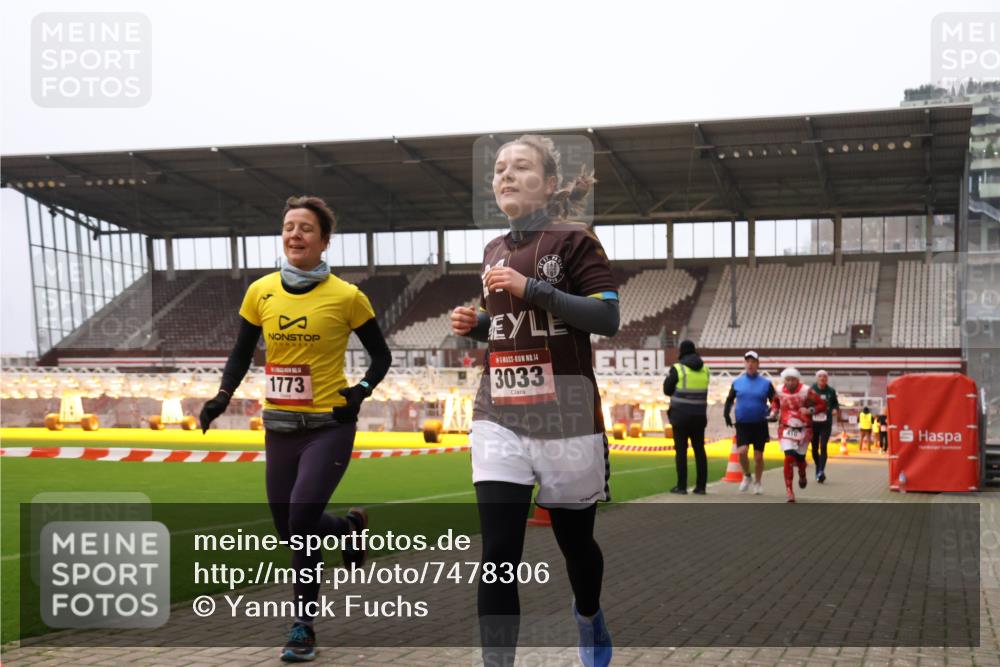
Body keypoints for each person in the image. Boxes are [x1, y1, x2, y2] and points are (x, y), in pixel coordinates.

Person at [199, 195, 392, 663]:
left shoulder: (348, 296)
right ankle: (348, 529)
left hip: (329, 425)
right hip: (279, 426)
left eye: (306, 227)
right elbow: (242, 353)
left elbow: (380, 357)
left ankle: (302, 627)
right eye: (288, 226)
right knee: (290, 530)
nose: (295, 234)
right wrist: (222, 397)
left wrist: (361, 390)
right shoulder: (260, 291)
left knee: (302, 523)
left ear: (324, 240)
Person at [450, 134, 618, 667]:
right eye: (498, 169)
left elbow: (606, 318)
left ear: (548, 184)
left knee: (577, 550)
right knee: (498, 553)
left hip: (567, 418)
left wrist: (533, 290)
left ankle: (588, 614)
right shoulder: (493, 250)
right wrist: (476, 325)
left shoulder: (575, 240)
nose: (505, 176)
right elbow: (509, 327)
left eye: (520, 167)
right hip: (499, 417)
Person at [769, 367, 827, 503]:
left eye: (793, 380)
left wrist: (810, 409)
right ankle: (789, 491)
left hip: (803, 428)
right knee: (789, 457)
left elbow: (822, 405)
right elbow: (775, 403)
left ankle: (802, 473)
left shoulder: (806, 391)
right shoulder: (778, 390)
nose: (790, 383)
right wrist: (773, 413)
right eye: (787, 380)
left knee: (800, 459)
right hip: (786, 428)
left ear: (797, 380)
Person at [723, 350, 774, 495]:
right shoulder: (737, 382)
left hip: (759, 423)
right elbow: (729, 399)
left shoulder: (766, 383)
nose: (750, 364)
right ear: (744, 364)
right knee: (742, 451)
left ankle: (758, 482)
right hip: (743, 423)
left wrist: (773, 413)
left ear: (758, 364)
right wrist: (726, 413)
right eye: (748, 362)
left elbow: (774, 401)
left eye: (753, 362)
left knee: (758, 456)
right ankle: (747, 475)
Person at [663, 340, 710, 495]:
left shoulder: (678, 368)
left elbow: (667, 390)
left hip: (681, 417)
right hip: (699, 417)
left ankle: (681, 487)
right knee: (699, 451)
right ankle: (701, 487)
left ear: (681, 352)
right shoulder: (705, 370)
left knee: (681, 452)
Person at [809, 370, 841, 483]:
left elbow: (836, 403)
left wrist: (835, 409)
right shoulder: (811, 390)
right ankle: (818, 467)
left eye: (824, 377)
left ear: (827, 379)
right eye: (820, 376)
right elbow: (805, 403)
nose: (822, 378)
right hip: (813, 423)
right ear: (816, 378)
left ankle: (821, 471)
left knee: (823, 446)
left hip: (826, 422)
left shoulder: (831, 391)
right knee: (814, 448)